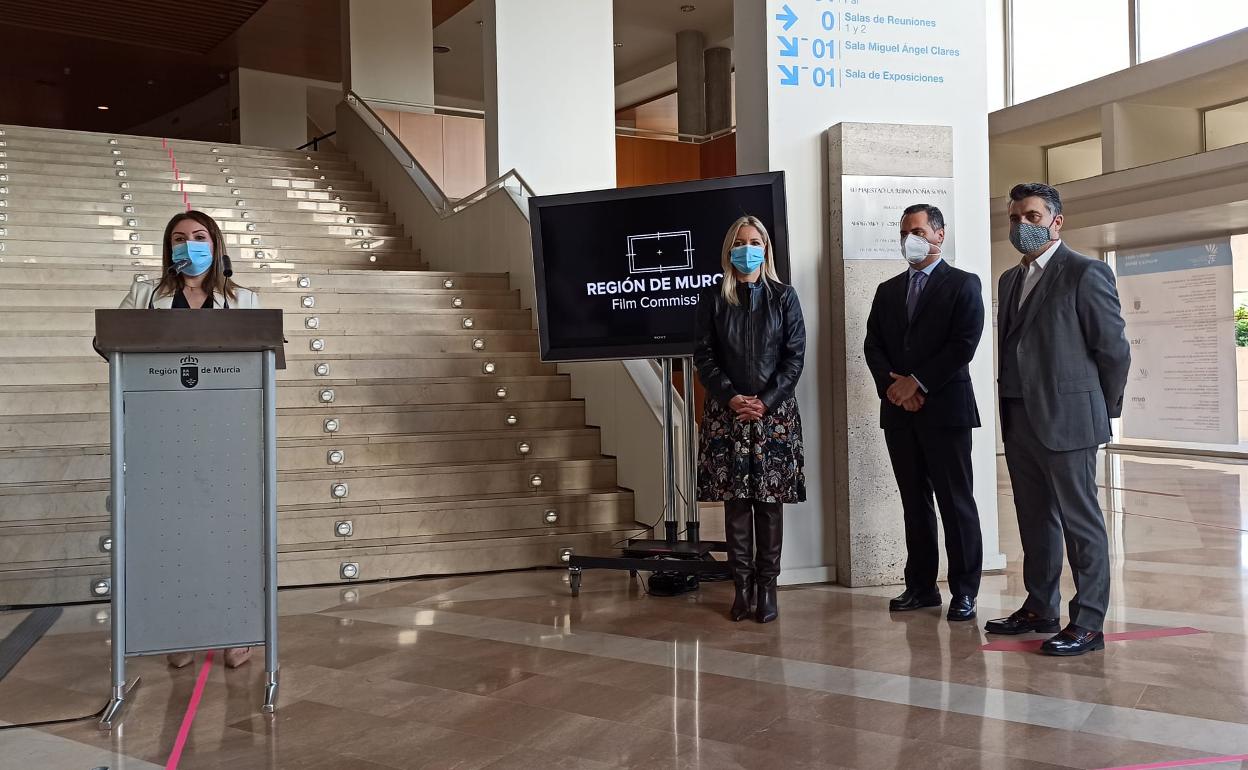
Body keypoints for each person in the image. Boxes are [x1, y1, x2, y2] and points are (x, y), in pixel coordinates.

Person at [988, 183, 1130, 656]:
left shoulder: (1085, 272)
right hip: (1019, 414)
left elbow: (1113, 350)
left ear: (1056, 221)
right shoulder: (1010, 280)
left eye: (1031, 217)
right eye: (1014, 218)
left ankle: (1088, 621)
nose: (1021, 226)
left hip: (1069, 417)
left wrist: (1100, 407)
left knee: (1079, 520)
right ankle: (1040, 607)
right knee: (1033, 518)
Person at [118, 210, 260, 669]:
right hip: (161, 431)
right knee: (171, 537)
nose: (189, 246)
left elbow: (264, 358)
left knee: (228, 537)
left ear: (216, 245)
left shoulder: (242, 299)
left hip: (225, 432)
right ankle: (179, 632)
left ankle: (235, 631)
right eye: (179, 239)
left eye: (199, 237)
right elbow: (111, 342)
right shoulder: (146, 294)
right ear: (168, 249)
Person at [864, 203, 985, 622]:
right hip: (900, 413)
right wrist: (895, 389)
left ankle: (965, 590)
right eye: (903, 233)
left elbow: (963, 344)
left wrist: (917, 382)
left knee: (956, 504)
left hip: (947, 412)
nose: (908, 239)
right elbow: (873, 346)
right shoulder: (887, 290)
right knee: (914, 504)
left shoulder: (964, 285)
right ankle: (920, 586)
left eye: (916, 230)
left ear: (939, 234)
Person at [694, 215, 805, 624]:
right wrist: (732, 398)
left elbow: (795, 358)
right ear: (729, 250)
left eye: (754, 241)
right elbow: (704, 357)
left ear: (766, 248)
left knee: (768, 504)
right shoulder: (714, 299)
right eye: (739, 242)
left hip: (773, 417)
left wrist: (766, 401)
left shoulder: (785, 298)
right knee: (736, 504)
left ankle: (767, 589)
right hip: (728, 415)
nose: (747, 248)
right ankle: (740, 590)